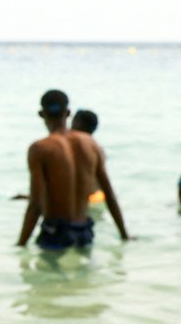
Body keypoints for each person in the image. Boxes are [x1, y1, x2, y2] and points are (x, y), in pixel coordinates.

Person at [16, 90, 130, 249]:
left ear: (42, 114)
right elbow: (109, 195)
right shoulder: (91, 144)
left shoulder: (40, 148)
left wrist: (20, 244)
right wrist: (125, 235)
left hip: (56, 231)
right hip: (84, 230)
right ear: (68, 112)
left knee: (49, 273)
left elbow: (36, 204)